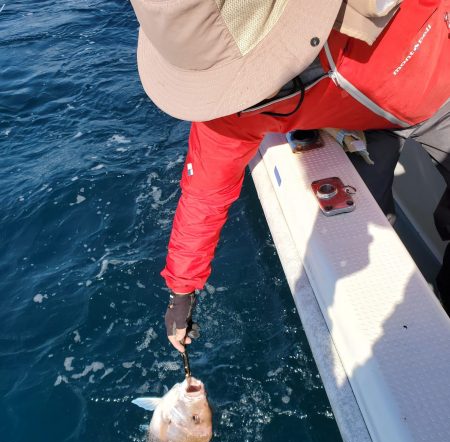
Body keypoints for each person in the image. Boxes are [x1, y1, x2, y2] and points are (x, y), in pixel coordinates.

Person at [128, 0, 450, 352]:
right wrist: (181, 292)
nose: (244, 95)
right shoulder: (231, 114)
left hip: (441, 88)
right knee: (365, 234)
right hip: (364, 126)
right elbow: (204, 197)